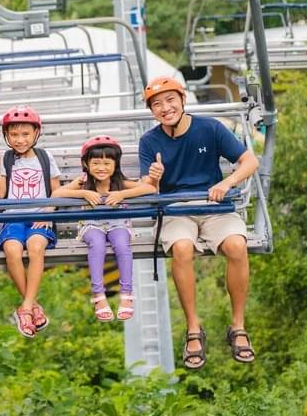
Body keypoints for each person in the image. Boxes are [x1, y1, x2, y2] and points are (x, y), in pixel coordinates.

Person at [138, 76, 260, 370]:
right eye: (157, 105)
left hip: (213, 204)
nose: (165, 108)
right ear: (152, 111)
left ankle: (238, 326)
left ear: (182, 100)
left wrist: (226, 182)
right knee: (181, 248)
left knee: (236, 245)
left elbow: (250, 161)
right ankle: (194, 328)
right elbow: (146, 188)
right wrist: (153, 179)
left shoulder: (210, 128)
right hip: (176, 209)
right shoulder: (149, 142)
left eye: (170, 100)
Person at [52, 135, 157, 322]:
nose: (102, 168)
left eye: (107, 163)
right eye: (96, 163)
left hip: (117, 223)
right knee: (97, 245)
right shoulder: (83, 182)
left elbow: (150, 190)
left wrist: (122, 194)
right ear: (86, 164)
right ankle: (99, 296)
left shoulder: (118, 182)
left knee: (122, 245)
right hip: (92, 224)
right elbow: (57, 194)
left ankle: (126, 294)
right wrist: (83, 193)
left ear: (115, 164)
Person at [0, 105, 61, 338]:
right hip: (13, 217)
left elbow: (56, 191)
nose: (20, 140)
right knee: (12, 249)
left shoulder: (45, 158)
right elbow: (0, 195)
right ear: (6, 136)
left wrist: (47, 212)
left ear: (36, 134)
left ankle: (26, 307)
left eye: (25, 134)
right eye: (14, 135)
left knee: (36, 246)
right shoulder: (6, 159)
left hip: (40, 217)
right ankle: (32, 306)